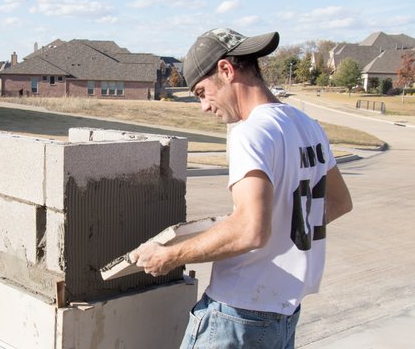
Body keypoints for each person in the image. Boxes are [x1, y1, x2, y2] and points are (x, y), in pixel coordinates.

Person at [130, 28, 353, 349]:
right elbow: (339, 201)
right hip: (283, 314)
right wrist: (275, 229)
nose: (203, 107)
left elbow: (250, 231)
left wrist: (170, 255)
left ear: (225, 70)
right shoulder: (308, 126)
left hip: (238, 317)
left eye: (201, 92)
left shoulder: (250, 132)